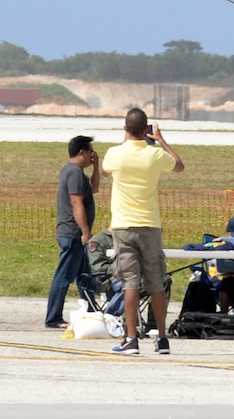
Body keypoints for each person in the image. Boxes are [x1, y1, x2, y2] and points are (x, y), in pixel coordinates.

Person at [101, 107, 183, 356]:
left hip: (124, 225)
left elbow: (105, 171)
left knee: (130, 283)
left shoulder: (115, 153)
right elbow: (179, 166)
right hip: (150, 225)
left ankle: (131, 337)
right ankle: (162, 337)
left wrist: (125, 140)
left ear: (125, 128)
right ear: (147, 129)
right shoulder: (154, 154)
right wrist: (161, 140)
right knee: (156, 282)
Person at [44, 136, 102, 329]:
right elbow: (76, 203)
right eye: (90, 151)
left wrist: (96, 168)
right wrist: (85, 231)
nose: (92, 155)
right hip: (73, 233)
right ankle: (53, 317)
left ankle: (93, 310)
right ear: (82, 152)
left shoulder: (75, 172)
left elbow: (94, 188)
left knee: (85, 275)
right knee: (64, 276)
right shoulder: (75, 173)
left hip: (75, 234)